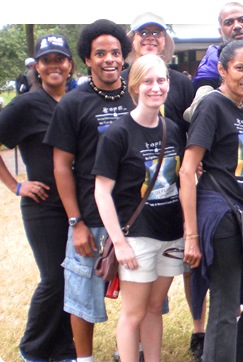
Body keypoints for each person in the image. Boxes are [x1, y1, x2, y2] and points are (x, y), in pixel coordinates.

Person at [43, 19, 135, 362]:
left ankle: (133, 350)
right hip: (91, 215)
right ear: (87, 59)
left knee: (137, 289)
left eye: (115, 52)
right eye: (100, 53)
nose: (109, 59)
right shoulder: (73, 103)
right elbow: (60, 166)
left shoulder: (136, 93)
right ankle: (84, 359)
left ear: (124, 56)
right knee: (83, 294)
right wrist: (75, 222)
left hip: (135, 215)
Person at [180, 39, 243, 362]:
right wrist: (191, 236)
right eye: (240, 68)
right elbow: (187, 169)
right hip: (220, 215)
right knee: (224, 304)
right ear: (221, 70)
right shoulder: (213, 105)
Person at [93, 53, 186, 362]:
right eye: (148, 81)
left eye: (161, 80)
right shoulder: (118, 133)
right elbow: (102, 191)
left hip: (171, 235)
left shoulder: (172, 129)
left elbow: (181, 179)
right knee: (132, 314)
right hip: (136, 236)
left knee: (154, 308)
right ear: (134, 86)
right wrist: (119, 243)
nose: (155, 87)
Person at [0, 34, 77, 362]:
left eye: (60, 58)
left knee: (72, 279)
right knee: (54, 277)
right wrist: (16, 185)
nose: (54, 65)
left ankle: (62, 349)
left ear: (70, 65)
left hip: (76, 207)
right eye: (47, 60)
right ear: (37, 67)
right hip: (43, 208)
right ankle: (33, 349)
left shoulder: (77, 101)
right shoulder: (26, 105)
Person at [124, 12, 196, 137]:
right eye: (143, 32)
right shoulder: (120, 81)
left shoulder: (182, 83)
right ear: (132, 40)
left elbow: (193, 131)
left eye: (156, 33)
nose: (150, 37)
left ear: (164, 41)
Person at [192, 2, 243, 90]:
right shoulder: (210, 64)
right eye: (229, 23)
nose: (237, 26)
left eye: (242, 20)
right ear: (220, 31)